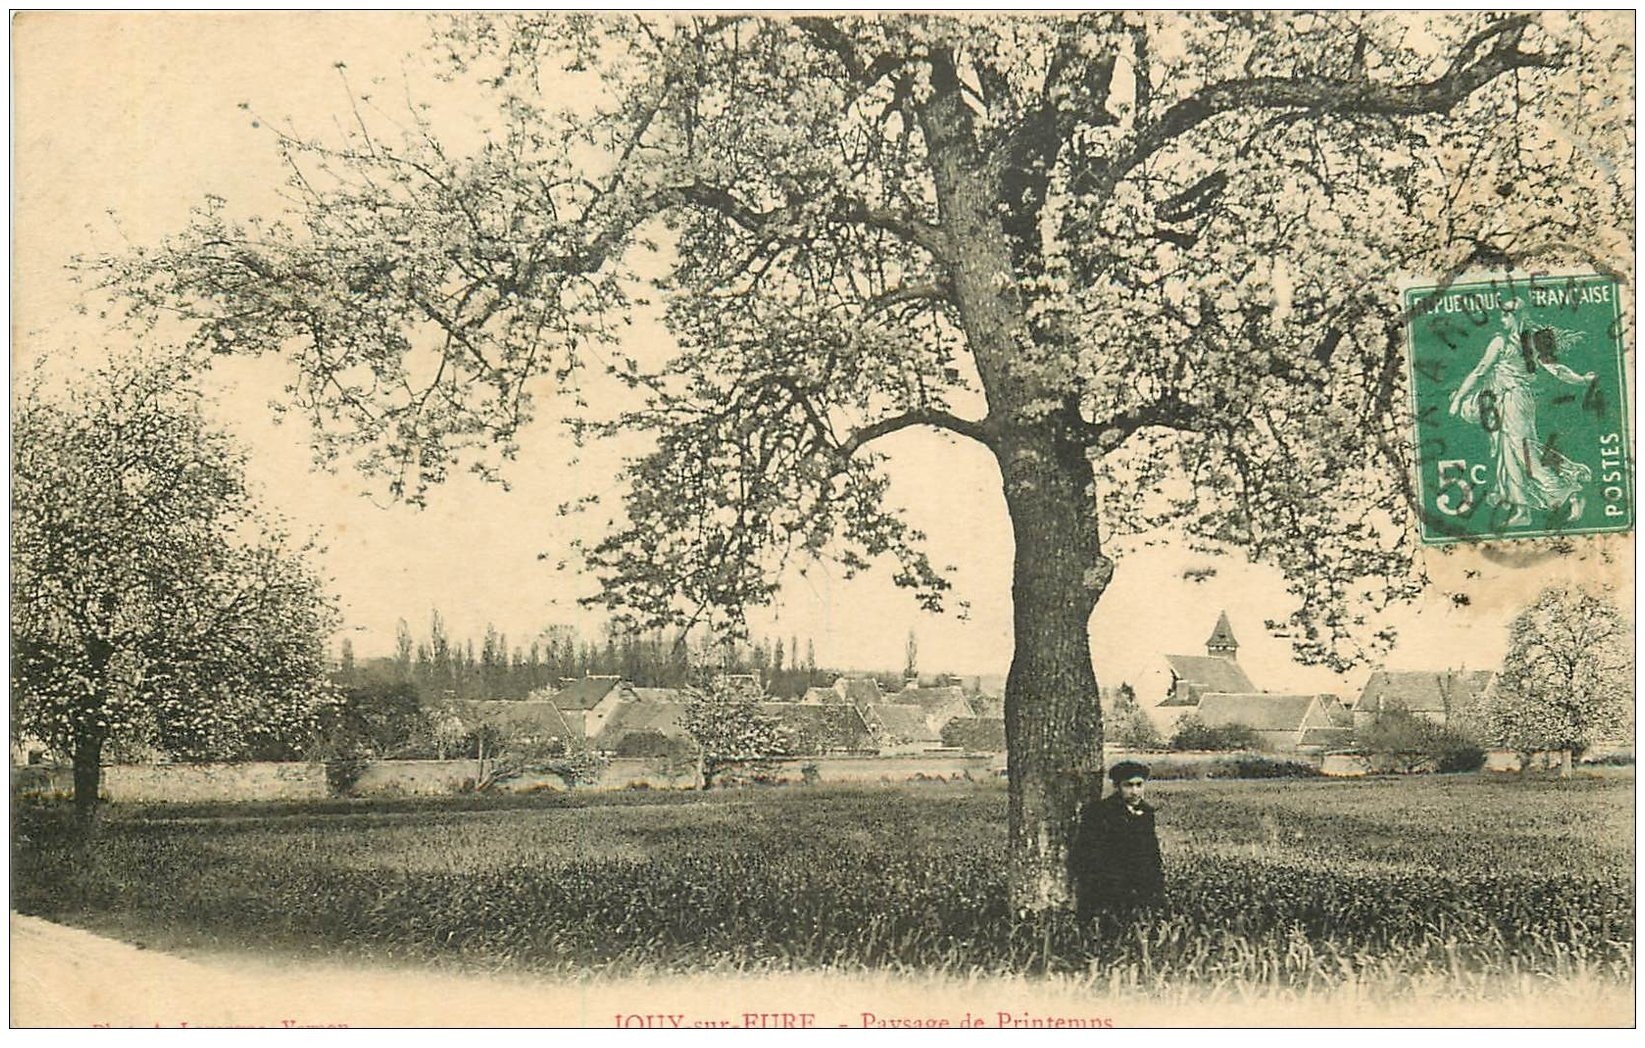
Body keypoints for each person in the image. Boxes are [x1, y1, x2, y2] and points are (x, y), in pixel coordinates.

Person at [1448, 299, 1595, 527]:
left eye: (1505, 315)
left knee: (1526, 454)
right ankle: (1522, 510)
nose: (1502, 319)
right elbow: (1557, 369)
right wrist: (1582, 380)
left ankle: (1569, 492)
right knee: (1509, 455)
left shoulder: (1502, 341)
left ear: (1516, 316)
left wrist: (1459, 398)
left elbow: (1479, 371)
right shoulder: (1531, 340)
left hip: (1512, 402)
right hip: (1512, 401)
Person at [1070, 760, 1164, 924]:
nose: (1135, 792)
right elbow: (1087, 854)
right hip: (1109, 890)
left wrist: (1156, 885)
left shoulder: (1146, 812)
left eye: (1139, 785)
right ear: (1117, 786)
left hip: (1141, 889)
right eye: (1128, 785)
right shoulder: (1099, 812)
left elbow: (1152, 852)